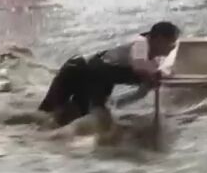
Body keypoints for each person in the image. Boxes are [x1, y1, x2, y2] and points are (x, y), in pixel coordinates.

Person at [38, 22, 181, 128]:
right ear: (159, 39)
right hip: (77, 68)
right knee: (47, 113)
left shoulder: (154, 63)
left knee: (72, 118)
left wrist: (115, 104)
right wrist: (156, 75)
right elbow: (139, 66)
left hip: (96, 79)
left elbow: (138, 94)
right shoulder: (141, 43)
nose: (173, 47)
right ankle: (27, 139)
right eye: (172, 42)